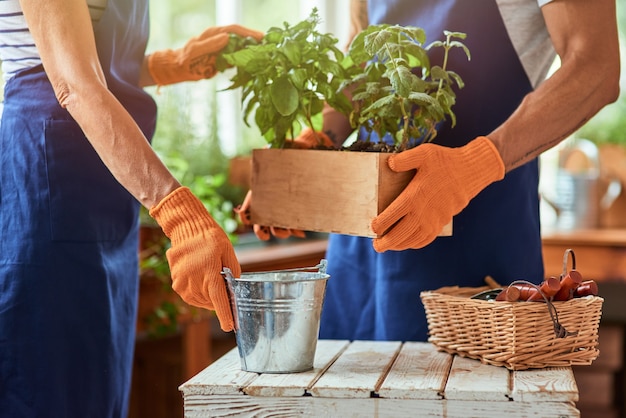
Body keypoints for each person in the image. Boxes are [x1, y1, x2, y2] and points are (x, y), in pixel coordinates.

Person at [242, 0, 620, 342]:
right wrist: (318, 143)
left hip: (474, 241)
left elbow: (594, 66)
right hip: (362, 249)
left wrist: (476, 164)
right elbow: (361, 49)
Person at [0, 1, 262, 416]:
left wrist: (172, 63)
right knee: (50, 387)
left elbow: (97, 61)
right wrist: (179, 213)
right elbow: (73, 82)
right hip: (50, 184)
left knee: (98, 388)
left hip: (104, 195)